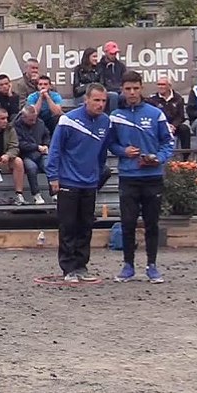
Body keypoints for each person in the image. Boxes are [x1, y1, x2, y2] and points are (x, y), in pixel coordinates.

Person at [108, 71, 174, 284]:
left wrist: (158, 158)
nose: (132, 92)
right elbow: (111, 143)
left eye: (136, 88)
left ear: (142, 88)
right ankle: (128, 265)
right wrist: (123, 152)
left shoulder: (155, 114)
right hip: (128, 176)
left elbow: (168, 143)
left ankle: (152, 266)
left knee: (151, 223)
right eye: (128, 89)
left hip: (152, 177)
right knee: (127, 222)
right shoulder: (116, 115)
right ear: (122, 90)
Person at [46, 83, 112, 283]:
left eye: (103, 101)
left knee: (85, 225)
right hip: (68, 180)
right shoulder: (68, 121)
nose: (100, 105)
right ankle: (68, 268)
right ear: (86, 100)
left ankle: (81, 265)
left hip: (89, 182)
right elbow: (55, 149)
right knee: (68, 226)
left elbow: (102, 152)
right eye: (96, 100)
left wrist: (98, 173)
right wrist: (53, 176)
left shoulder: (105, 122)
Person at [13, 106, 49, 204]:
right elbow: (19, 143)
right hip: (26, 154)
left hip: (41, 153)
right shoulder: (15, 127)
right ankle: (36, 194)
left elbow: (46, 135)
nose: (33, 122)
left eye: (34, 119)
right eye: (30, 120)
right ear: (23, 117)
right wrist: (36, 147)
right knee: (31, 168)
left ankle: (54, 192)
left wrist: (46, 145)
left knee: (49, 166)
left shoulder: (40, 123)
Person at [147, 78, 191, 155]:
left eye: (163, 84)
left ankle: (185, 158)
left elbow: (180, 116)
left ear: (169, 86)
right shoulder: (153, 100)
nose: (160, 87)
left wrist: (173, 125)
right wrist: (165, 126)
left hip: (174, 126)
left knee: (185, 129)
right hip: (160, 126)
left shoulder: (178, 98)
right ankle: (155, 155)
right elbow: (152, 116)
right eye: (159, 84)